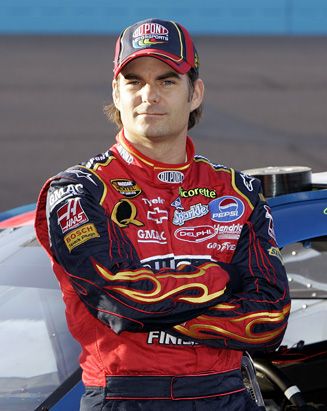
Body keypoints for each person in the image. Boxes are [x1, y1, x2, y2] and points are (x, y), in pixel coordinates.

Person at [35, 18, 290, 411]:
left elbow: (268, 319)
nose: (148, 95)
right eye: (134, 81)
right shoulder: (77, 191)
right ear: (116, 94)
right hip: (123, 398)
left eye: (167, 81)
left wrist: (156, 307)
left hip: (225, 396)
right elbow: (122, 301)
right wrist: (218, 278)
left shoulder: (237, 192)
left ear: (195, 93)